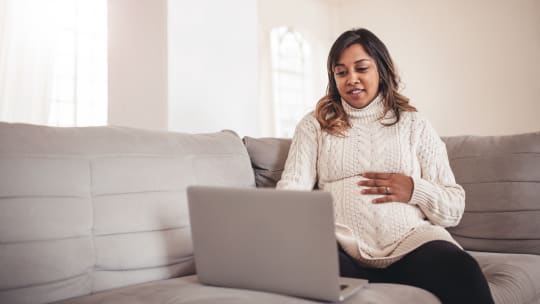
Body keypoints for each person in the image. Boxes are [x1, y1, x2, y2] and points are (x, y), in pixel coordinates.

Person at [276, 28, 495, 304]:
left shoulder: (414, 125)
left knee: (462, 269)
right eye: (341, 72)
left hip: (412, 245)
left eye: (361, 68)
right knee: (303, 263)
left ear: (381, 69)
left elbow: (453, 208)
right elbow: (291, 191)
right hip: (341, 250)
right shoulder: (314, 125)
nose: (351, 79)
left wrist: (415, 189)